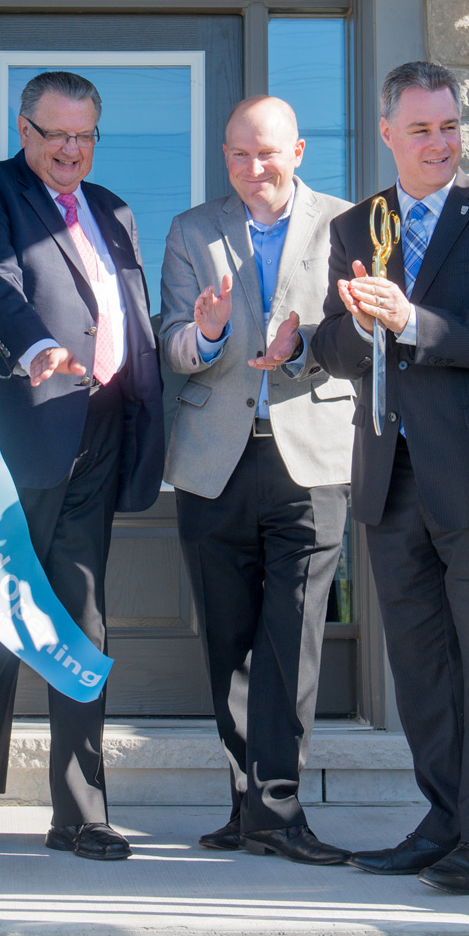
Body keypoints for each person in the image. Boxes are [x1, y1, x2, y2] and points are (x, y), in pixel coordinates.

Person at [312, 60, 469, 896]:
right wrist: (358, 325)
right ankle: (444, 820)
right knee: (419, 669)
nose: (439, 143)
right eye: (421, 130)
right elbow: (331, 347)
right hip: (389, 473)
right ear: (388, 134)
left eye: (449, 127)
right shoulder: (357, 224)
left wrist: (412, 321)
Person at [0, 71, 165, 863]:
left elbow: (123, 309)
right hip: (22, 430)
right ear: (23, 128)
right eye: (56, 133)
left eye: (84, 135)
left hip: (102, 428)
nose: (71, 149)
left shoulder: (113, 209)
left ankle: (80, 811)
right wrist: (36, 345)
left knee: (83, 616)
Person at [160, 96, 356, 865]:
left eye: (267, 153)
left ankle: (278, 806)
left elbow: (359, 337)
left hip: (311, 458)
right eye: (238, 154)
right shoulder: (191, 230)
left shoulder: (344, 225)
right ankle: (249, 803)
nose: (253, 168)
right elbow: (172, 343)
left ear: (298, 151)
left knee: (291, 640)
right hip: (216, 462)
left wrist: (303, 347)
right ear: (224, 156)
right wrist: (206, 334)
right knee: (230, 642)